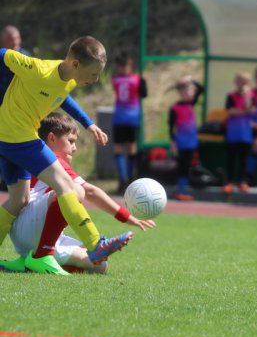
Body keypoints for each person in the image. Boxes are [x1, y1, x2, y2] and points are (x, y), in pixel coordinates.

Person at [0, 36, 133, 274]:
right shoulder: (38, 69)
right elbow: (4, 55)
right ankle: (95, 244)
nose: (96, 80)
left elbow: (63, 98)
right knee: (67, 186)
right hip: (18, 136)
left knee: (18, 199)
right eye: (93, 74)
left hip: (7, 138)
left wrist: (88, 124)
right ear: (75, 63)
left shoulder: (69, 80)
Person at [1, 113, 156, 274]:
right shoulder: (52, 161)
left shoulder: (33, 157)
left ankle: (27, 263)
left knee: (100, 266)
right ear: (52, 138)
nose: (74, 148)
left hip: (26, 231)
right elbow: (90, 191)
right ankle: (42, 255)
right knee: (76, 191)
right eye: (71, 141)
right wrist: (126, 217)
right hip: (31, 227)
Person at [112, 51, 148, 194]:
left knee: (119, 148)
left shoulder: (115, 79)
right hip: (133, 117)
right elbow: (144, 94)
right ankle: (130, 179)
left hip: (120, 116)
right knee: (131, 147)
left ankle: (123, 179)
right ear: (130, 64)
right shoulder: (137, 79)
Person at [168, 75, 204, 201]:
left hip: (191, 141)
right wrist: (172, 142)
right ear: (181, 92)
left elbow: (201, 89)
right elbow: (171, 127)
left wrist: (191, 79)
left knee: (188, 165)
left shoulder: (191, 103)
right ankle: (180, 190)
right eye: (188, 90)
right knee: (182, 166)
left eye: (192, 90)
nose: (192, 92)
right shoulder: (175, 108)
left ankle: (183, 189)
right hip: (181, 142)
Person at [223, 72, 254, 193]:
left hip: (245, 133)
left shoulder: (250, 96)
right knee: (231, 158)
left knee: (244, 159)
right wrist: (244, 111)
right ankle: (229, 182)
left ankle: (243, 181)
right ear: (236, 82)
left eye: (245, 82)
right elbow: (230, 111)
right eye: (241, 81)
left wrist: (247, 97)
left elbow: (250, 109)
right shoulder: (230, 95)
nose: (243, 84)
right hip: (232, 132)